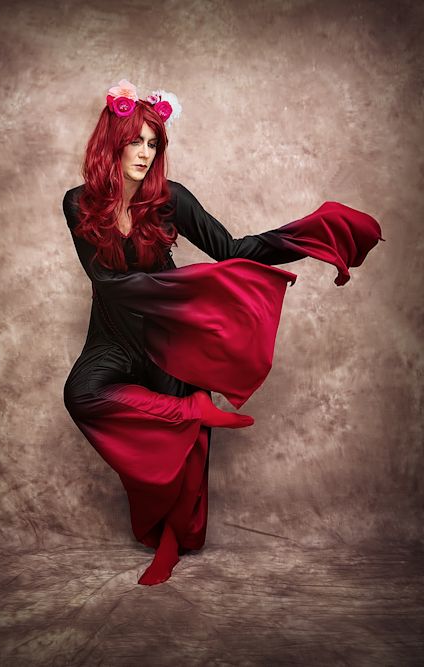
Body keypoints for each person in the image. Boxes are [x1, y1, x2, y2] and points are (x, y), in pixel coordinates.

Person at [62, 79, 383, 586]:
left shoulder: (170, 199)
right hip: (112, 337)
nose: (145, 153)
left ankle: (170, 545)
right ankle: (189, 410)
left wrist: (311, 236)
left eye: (153, 143)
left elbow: (231, 251)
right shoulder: (77, 203)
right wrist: (187, 285)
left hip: (171, 337)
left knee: (187, 456)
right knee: (82, 394)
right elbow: (107, 283)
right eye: (135, 141)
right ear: (112, 143)